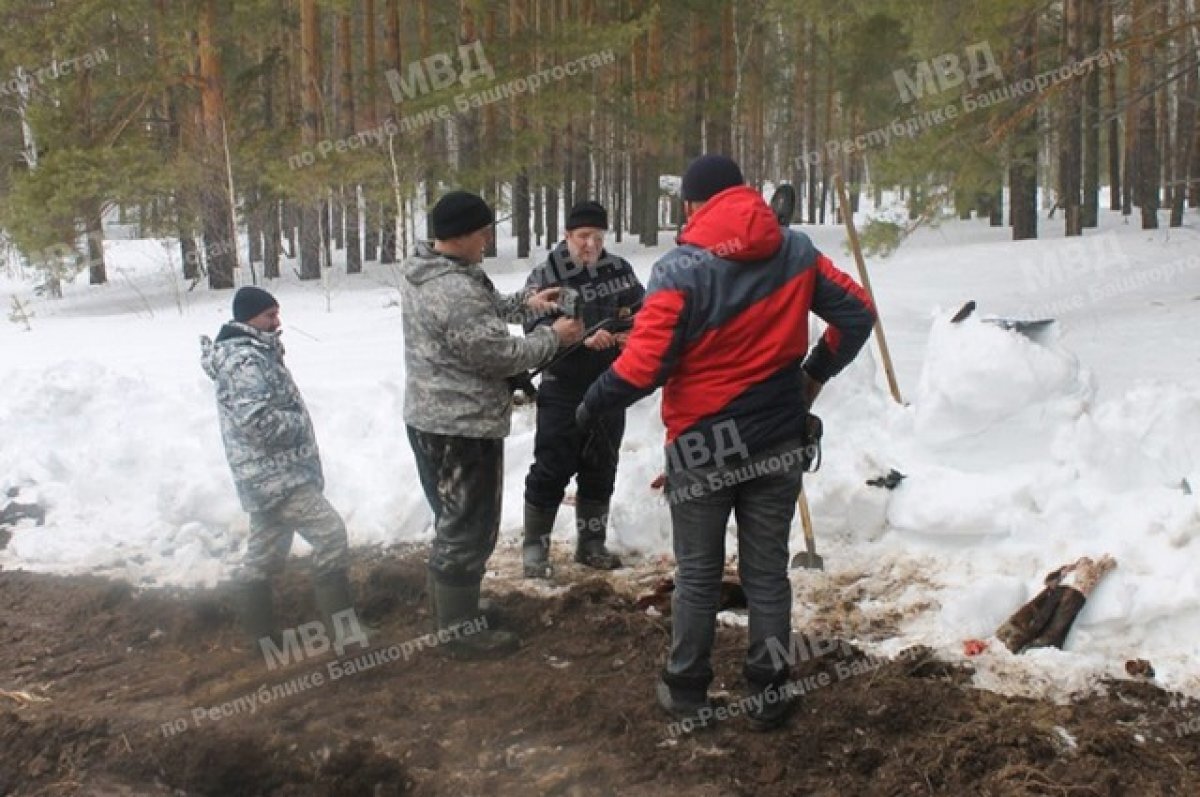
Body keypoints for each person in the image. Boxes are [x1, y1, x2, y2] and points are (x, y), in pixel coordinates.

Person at [576, 155, 877, 730]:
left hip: (701, 446)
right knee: (767, 574)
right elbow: (858, 313)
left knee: (697, 575)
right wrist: (813, 374)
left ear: (692, 206)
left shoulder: (679, 270)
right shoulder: (795, 251)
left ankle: (687, 688)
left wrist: (592, 404)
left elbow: (643, 368)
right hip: (779, 439)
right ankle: (768, 693)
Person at [401, 190, 584, 659]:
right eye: (483, 230)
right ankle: (460, 632)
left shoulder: (438, 270)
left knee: (452, 520)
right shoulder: (453, 288)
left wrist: (528, 304)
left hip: (433, 417)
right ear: (461, 234)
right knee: (470, 526)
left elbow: (484, 310)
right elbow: (495, 354)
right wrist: (552, 336)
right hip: (462, 427)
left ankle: (450, 611)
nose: (488, 239)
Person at [201, 286, 362, 654]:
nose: (277, 323)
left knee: (265, 556)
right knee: (331, 535)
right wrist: (297, 423)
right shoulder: (244, 361)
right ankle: (344, 633)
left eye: (277, 314)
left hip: (267, 475)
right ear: (247, 319)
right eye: (269, 316)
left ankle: (260, 638)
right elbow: (256, 422)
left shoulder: (252, 353)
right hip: (276, 476)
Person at [521, 200, 645, 579]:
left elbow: (644, 315)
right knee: (552, 464)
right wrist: (574, 339)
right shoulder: (546, 274)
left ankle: (591, 544)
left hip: (609, 385)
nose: (590, 244)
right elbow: (530, 328)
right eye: (582, 236)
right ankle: (535, 551)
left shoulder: (621, 271)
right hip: (561, 384)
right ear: (567, 236)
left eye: (597, 236)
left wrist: (623, 336)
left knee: (601, 464)